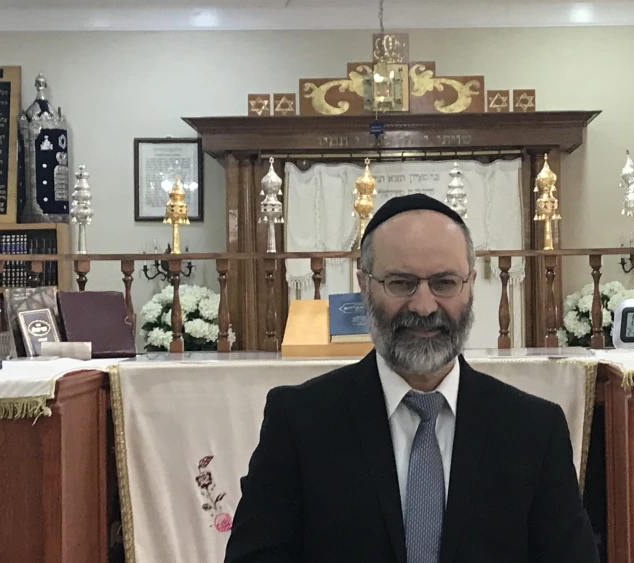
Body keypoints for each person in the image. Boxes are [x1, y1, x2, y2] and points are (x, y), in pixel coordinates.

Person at [225, 193, 599, 563]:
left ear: (470, 284)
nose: (423, 306)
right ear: (364, 285)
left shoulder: (534, 431)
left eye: (444, 283)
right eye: (401, 283)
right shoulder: (299, 422)